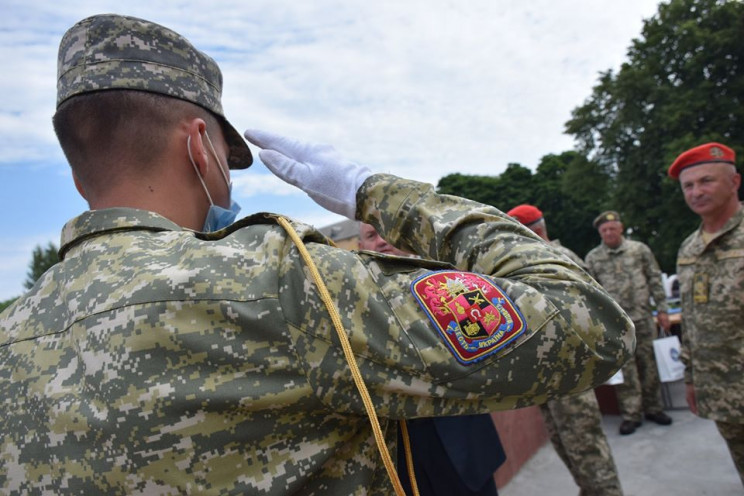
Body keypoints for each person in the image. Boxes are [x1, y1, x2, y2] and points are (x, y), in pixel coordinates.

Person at [0, 14, 634, 495]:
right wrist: (373, 192)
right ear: (201, 144)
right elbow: (586, 322)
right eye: (227, 150)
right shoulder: (282, 283)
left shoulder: (12, 333)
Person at [359, 222, 507, 496]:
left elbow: (486, 341)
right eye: (371, 235)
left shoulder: (448, 280)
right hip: (402, 451)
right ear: (361, 247)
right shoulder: (355, 304)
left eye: (387, 231)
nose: (381, 241)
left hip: (461, 438)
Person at [507, 205, 624, 496]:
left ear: (533, 232)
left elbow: (588, 315)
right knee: (565, 444)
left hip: (570, 373)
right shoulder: (532, 261)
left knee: (586, 446)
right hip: (546, 375)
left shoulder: (558, 259)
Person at [668, 142, 743, 485]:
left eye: (706, 181)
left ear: (734, 182)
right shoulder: (689, 248)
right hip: (721, 391)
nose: (696, 192)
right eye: (688, 186)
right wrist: (692, 378)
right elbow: (691, 319)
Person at [585, 211, 673, 436]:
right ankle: (631, 414)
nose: (608, 233)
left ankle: (654, 408)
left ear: (621, 228)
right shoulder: (594, 257)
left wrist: (662, 309)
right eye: (604, 230)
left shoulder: (639, 250)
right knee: (625, 370)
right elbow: (590, 292)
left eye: (612, 228)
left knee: (649, 365)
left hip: (642, 317)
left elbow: (654, 277)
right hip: (616, 325)